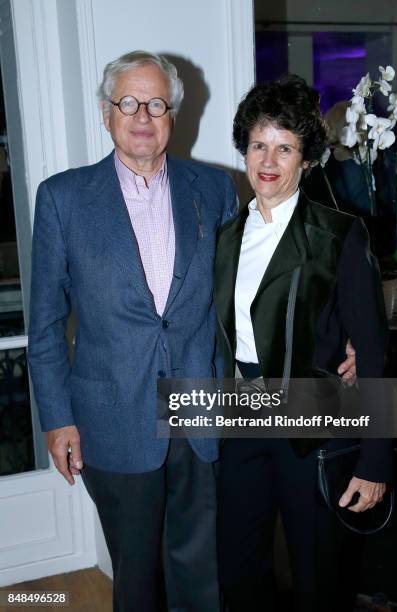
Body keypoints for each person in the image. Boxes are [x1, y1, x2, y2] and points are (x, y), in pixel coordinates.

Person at [27, 50, 239, 612]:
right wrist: (57, 419)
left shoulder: (216, 190)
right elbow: (45, 324)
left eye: (156, 103)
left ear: (172, 113)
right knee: (137, 576)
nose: (142, 115)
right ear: (106, 112)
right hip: (112, 416)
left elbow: (244, 296)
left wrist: (333, 335)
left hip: (199, 410)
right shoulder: (63, 199)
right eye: (128, 102)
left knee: (201, 576)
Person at [214, 75, 392, 612]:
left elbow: (373, 353)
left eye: (285, 147)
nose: (268, 160)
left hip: (315, 428)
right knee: (239, 571)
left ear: (306, 158)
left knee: (319, 579)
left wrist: (376, 463)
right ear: (245, 149)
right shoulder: (226, 238)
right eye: (259, 144)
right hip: (240, 419)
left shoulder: (340, 234)